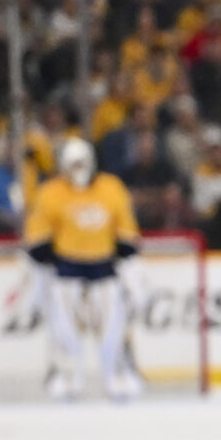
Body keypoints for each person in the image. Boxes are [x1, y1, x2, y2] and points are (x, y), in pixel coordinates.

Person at [22, 137, 142, 401]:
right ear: (63, 166)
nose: (79, 169)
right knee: (64, 332)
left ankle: (118, 375)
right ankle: (67, 376)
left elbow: (127, 237)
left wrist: (132, 277)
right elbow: (38, 243)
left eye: (82, 163)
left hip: (105, 272)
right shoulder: (51, 193)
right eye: (73, 164)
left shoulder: (111, 189)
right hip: (67, 273)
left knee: (113, 330)